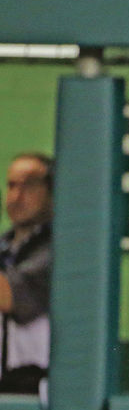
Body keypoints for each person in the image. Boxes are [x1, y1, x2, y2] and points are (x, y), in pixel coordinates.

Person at [0, 153, 53, 395]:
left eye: (28, 185)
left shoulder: (61, 250)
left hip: (36, 388)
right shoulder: (5, 244)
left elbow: (11, 296)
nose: (16, 196)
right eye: (11, 185)